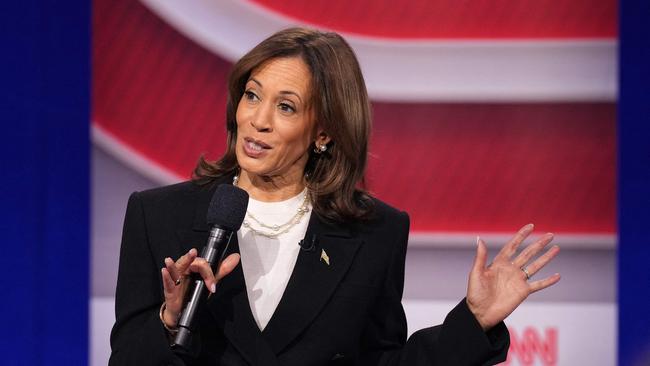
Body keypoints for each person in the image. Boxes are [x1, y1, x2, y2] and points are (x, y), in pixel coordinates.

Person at [109, 27, 561, 366]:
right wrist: (169, 321)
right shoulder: (158, 214)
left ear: (323, 131)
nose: (257, 120)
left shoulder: (374, 232)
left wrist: (474, 321)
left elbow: (381, 362)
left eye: (285, 107)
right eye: (251, 96)